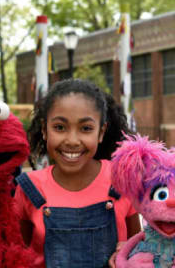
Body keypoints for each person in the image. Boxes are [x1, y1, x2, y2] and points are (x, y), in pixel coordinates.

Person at [14, 79, 141, 268]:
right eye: (59, 127)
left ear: (101, 132)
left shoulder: (121, 179)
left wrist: (132, 253)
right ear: (44, 129)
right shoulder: (30, 188)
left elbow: (139, 249)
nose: (72, 140)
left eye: (86, 128)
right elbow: (16, 256)